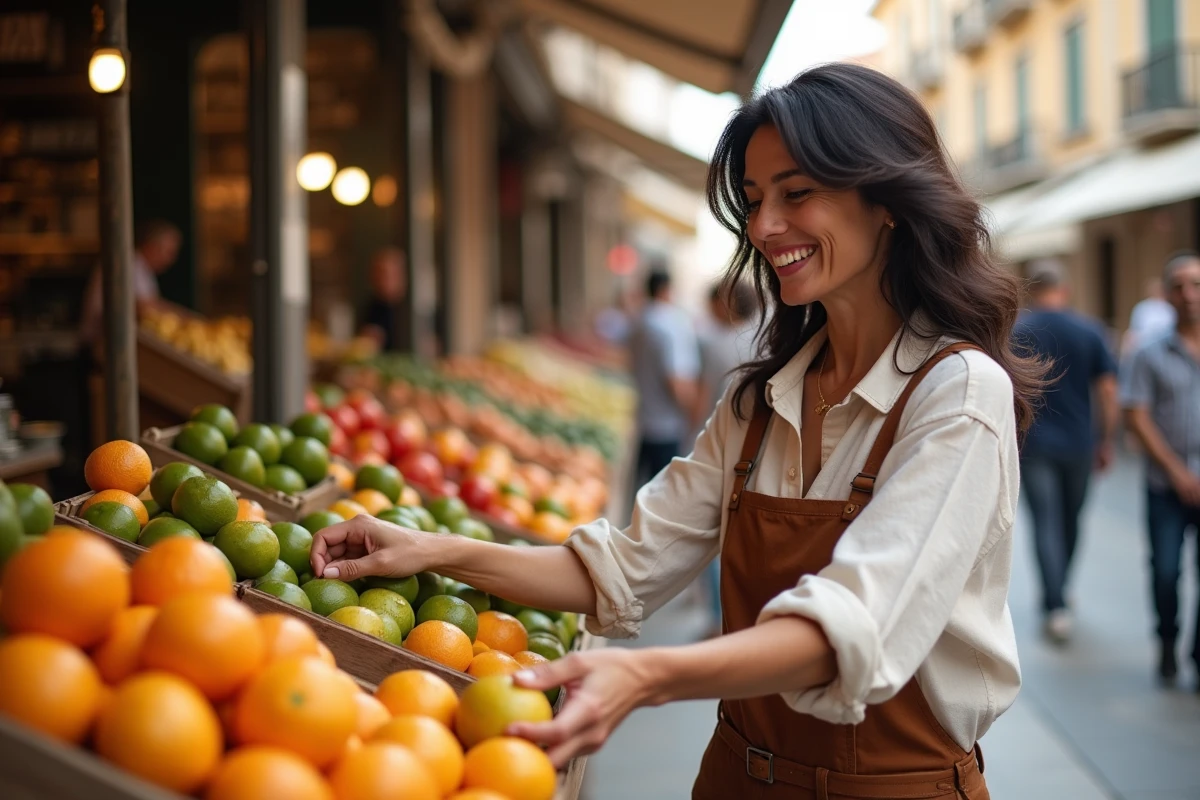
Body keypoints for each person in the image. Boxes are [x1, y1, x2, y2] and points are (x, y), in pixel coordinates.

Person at [309, 64, 1045, 798]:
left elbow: (854, 629)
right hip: (733, 778)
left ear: (886, 200)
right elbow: (623, 571)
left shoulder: (957, 395)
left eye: (797, 193)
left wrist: (647, 675)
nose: (763, 227)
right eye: (754, 201)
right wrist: (429, 547)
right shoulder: (759, 403)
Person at [1013, 260, 1118, 644]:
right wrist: (1105, 440)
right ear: (1065, 290)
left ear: (1032, 290)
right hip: (1078, 443)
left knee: (1044, 523)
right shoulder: (1090, 331)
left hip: (1034, 444)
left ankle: (1054, 602)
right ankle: (1061, 591)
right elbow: (1108, 392)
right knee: (1070, 520)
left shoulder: (1018, 330)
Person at [1120, 251, 1200, 689]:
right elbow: (1136, 414)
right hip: (1165, 484)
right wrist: (1175, 470)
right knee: (1166, 570)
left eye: (1196, 285)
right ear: (1167, 296)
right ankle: (1167, 641)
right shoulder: (1149, 353)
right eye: (1180, 286)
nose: (1189, 295)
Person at [693, 279, 759, 636]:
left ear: (727, 304)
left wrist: (692, 434)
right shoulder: (762, 336)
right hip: (754, 449)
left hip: (719, 444)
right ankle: (731, 616)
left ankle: (717, 615)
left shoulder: (717, 343)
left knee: (712, 530)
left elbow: (703, 397)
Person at [627, 268, 700, 490]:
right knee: (662, 492)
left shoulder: (640, 320)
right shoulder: (669, 324)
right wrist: (692, 412)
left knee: (643, 489)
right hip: (666, 425)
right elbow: (676, 379)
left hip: (644, 417)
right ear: (666, 289)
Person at [79, 219, 181, 347]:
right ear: (151, 246)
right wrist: (187, 320)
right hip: (99, 347)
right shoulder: (129, 264)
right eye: (168, 252)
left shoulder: (142, 267)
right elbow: (145, 308)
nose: (170, 260)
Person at [358, 247, 407, 351]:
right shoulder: (372, 306)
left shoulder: (413, 308)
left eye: (387, 274)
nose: (381, 280)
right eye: (378, 274)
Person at [1122, 277, 1176, 356]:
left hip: (1166, 347)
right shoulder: (1142, 307)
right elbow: (1134, 330)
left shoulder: (1169, 308)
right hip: (1143, 346)